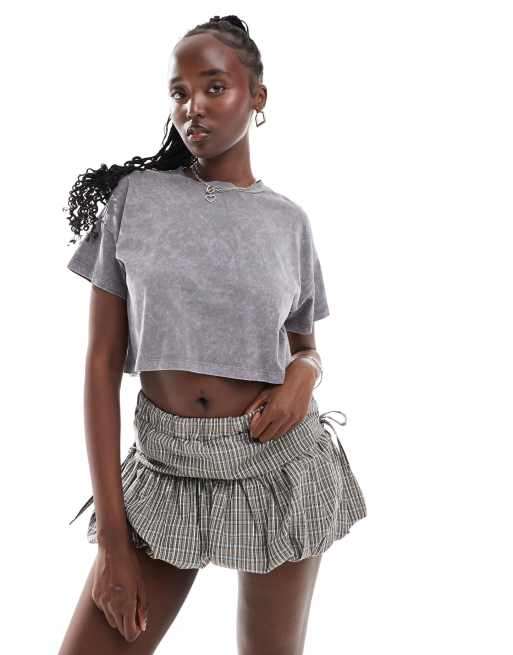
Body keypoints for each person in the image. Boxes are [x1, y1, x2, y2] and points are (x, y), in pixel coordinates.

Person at [58, 14, 367, 654]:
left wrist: (304, 377)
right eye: (179, 92)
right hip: (168, 470)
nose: (192, 106)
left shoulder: (288, 222)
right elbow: (99, 366)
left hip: (278, 468)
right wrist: (113, 542)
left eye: (214, 87)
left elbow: (305, 347)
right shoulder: (134, 200)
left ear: (258, 97)